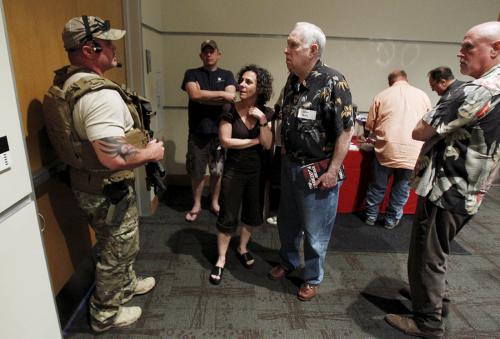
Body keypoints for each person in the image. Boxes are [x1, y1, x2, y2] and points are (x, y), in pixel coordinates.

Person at [49, 16, 164, 331]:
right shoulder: (99, 95)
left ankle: (125, 286)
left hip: (92, 184)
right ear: (89, 49)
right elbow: (111, 156)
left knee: (122, 241)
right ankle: (105, 314)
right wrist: (150, 153)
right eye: (108, 42)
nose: (115, 48)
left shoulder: (71, 81)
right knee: (117, 246)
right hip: (105, 188)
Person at [385, 22, 500, 338]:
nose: (460, 53)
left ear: (496, 48)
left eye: (468, 46)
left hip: (446, 189)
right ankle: (432, 299)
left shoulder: (475, 91)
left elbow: (420, 130)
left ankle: (428, 322)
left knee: (427, 255)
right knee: (438, 250)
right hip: (472, 190)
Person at [268, 22, 354, 301]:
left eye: (293, 45)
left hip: (317, 172)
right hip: (290, 166)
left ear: (312, 50)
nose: (286, 49)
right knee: (287, 223)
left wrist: (333, 171)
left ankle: (312, 277)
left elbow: (346, 132)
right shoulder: (292, 80)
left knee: (316, 232)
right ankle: (289, 260)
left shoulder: (333, 82)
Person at [209, 64, 273, 284]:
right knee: (227, 214)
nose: (242, 85)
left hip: (257, 171)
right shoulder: (229, 109)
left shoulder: (266, 112)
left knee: (252, 215)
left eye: (248, 82)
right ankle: (220, 259)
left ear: (260, 87)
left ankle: (243, 247)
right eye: (242, 80)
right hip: (234, 170)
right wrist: (254, 140)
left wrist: (262, 121)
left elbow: (268, 144)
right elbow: (226, 141)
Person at [364, 70, 432, 229]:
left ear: (390, 82)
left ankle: (371, 216)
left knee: (378, 185)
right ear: (407, 79)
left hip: (387, 149)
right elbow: (429, 122)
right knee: (402, 188)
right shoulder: (423, 96)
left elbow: (369, 125)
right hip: (413, 151)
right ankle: (391, 219)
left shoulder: (382, 95)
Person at [181, 40, 237, 222]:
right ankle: (196, 204)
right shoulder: (191, 73)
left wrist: (203, 96)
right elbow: (194, 95)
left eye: (212, 52)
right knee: (197, 172)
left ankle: (214, 202)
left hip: (220, 134)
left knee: (217, 171)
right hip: (197, 133)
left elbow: (230, 98)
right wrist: (219, 96)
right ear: (201, 55)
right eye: (205, 52)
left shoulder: (227, 75)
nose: (209, 55)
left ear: (218, 54)